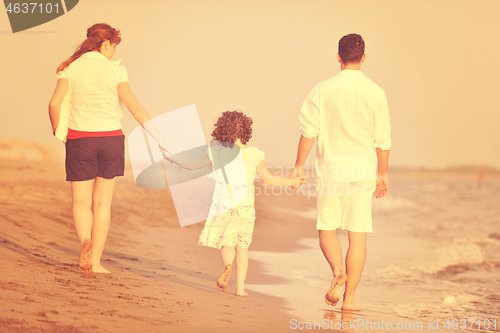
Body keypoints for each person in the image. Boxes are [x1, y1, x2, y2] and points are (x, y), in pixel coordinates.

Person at [49, 23, 172, 275]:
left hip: (80, 139)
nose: (112, 53)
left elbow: (54, 103)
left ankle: (85, 241)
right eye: (113, 47)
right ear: (106, 43)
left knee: (80, 201)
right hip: (111, 139)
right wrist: (160, 140)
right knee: (102, 202)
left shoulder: (70, 68)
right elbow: (135, 108)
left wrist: (57, 129)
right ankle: (95, 262)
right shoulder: (115, 70)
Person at [291, 33, 391, 310]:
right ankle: (350, 300)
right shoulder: (376, 92)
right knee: (357, 234)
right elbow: (382, 140)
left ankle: (337, 272)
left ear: (338, 56)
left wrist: (299, 167)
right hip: (363, 170)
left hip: (332, 171)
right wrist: (382, 173)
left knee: (327, 228)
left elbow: (308, 132)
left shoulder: (322, 89)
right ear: (363, 57)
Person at [166, 111, 305, 296]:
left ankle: (227, 265)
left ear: (222, 130)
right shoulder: (254, 154)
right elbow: (270, 180)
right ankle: (240, 288)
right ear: (246, 130)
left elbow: (192, 165)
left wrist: (172, 157)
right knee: (243, 246)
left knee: (227, 244)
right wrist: (292, 182)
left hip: (223, 206)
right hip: (245, 207)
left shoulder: (215, 152)